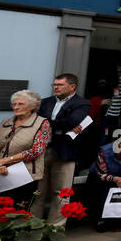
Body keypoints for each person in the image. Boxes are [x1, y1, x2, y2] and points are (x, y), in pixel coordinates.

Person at [37, 73, 91, 226]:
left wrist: (52, 125)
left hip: (65, 152)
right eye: (54, 84)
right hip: (43, 151)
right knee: (38, 192)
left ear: (72, 86)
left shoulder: (82, 103)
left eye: (59, 85)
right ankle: (31, 225)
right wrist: (61, 126)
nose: (55, 87)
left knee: (61, 193)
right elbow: (39, 122)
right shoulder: (45, 102)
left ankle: (54, 229)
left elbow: (73, 121)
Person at [0, 90, 52, 209]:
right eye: (14, 104)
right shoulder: (6, 122)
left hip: (24, 176)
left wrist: (3, 161)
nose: (16, 107)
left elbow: (36, 150)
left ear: (33, 106)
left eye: (21, 104)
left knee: (17, 211)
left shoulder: (42, 123)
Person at [86, 137, 121, 231]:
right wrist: (115, 179)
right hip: (103, 175)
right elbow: (101, 173)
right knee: (101, 187)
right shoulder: (104, 151)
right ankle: (101, 218)